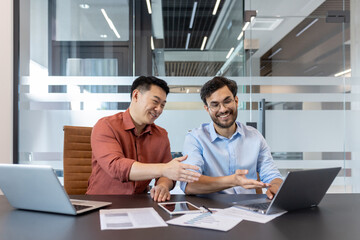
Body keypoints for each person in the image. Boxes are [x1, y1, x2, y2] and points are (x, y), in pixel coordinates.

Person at [86, 76, 201, 202]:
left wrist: (163, 185)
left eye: (163, 105)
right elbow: (116, 167)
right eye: (155, 102)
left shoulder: (161, 135)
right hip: (101, 203)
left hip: (140, 204)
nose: (159, 110)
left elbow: (167, 173)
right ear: (136, 96)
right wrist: (164, 169)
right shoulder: (106, 126)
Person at [180, 76, 283, 199]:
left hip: (249, 209)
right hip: (211, 209)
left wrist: (276, 185)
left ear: (236, 101)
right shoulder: (196, 138)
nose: (223, 109)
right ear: (207, 109)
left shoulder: (255, 136)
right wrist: (232, 181)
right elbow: (189, 185)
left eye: (227, 101)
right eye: (215, 105)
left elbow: (271, 174)